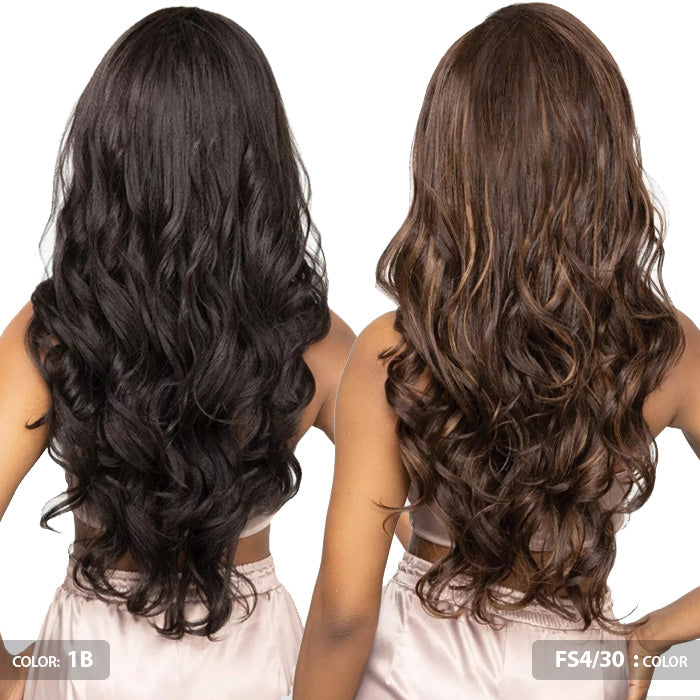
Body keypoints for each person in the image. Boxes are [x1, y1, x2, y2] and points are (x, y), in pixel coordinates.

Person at [292, 3, 700, 699]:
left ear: (447, 163)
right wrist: (651, 635)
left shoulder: (397, 350)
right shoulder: (664, 350)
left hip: (419, 667)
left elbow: (345, 612)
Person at [0, 7, 355, 699]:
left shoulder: (56, 331)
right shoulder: (319, 342)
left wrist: (16, 676)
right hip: (254, 667)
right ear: (260, 164)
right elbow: (447, 529)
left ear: (107, 158)